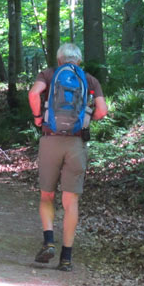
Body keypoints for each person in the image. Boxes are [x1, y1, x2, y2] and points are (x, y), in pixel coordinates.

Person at [28, 43, 107, 271]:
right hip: (76, 143)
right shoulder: (89, 80)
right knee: (70, 201)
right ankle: (67, 258)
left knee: (47, 195)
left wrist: (37, 118)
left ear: (59, 59)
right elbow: (102, 110)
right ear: (79, 60)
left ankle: (49, 240)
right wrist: (86, 118)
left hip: (50, 139)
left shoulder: (49, 74)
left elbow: (34, 94)